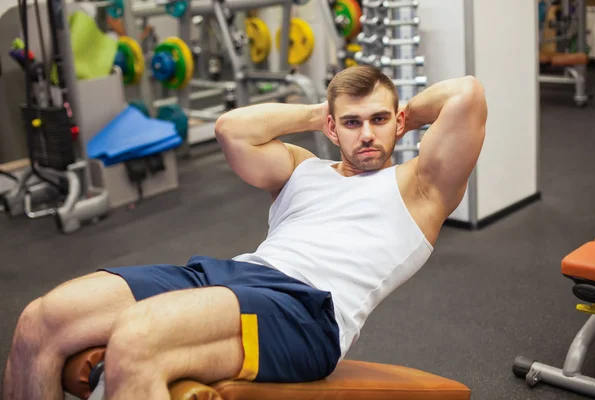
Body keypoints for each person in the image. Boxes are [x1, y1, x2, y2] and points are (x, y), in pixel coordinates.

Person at [2, 66, 487, 400]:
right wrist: (319, 111)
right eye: (352, 123)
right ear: (332, 130)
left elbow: (466, 93)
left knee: (137, 338)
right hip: (230, 277)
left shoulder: (418, 187)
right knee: (40, 321)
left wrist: (403, 120)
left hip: (305, 310)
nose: (367, 134)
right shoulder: (303, 166)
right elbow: (230, 129)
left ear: (396, 121)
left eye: (379, 120)